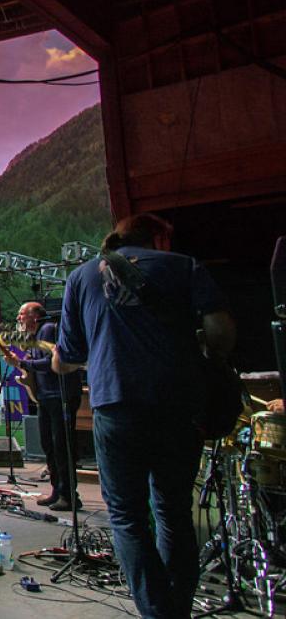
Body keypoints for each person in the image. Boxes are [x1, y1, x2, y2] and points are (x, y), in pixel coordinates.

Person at [53, 213, 235, 619]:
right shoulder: (184, 266)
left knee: (126, 517)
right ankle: (177, 610)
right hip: (178, 405)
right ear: (158, 237)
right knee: (173, 511)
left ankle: (156, 611)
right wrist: (207, 358)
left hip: (116, 405)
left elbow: (67, 358)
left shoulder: (81, 277)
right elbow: (221, 331)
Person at [3, 302, 81, 511]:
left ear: (35, 316)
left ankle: (68, 494)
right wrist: (21, 361)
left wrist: (22, 364)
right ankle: (58, 490)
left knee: (61, 446)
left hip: (60, 395)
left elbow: (50, 362)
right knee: (49, 445)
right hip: (46, 397)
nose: (18, 318)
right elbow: (34, 361)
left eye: (22, 314)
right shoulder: (35, 336)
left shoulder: (48, 330)